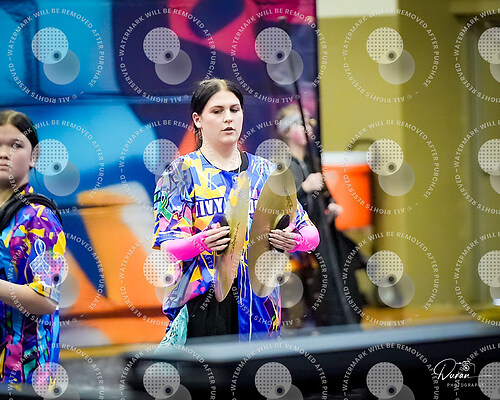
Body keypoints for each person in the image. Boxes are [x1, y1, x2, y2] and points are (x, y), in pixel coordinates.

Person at [152, 79, 319, 343]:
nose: (228, 118)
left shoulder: (265, 172)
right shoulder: (180, 173)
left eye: (234, 109)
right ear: (197, 120)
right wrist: (201, 242)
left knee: (258, 370)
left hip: (261, 305)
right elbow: (168, 247)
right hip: (205, 305)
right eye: (217, 111)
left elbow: (311, 235)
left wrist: (295, 240)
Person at [276, 104, 364, 327]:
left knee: (344, 266)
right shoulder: (281, 166)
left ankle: (344, 321)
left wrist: (332, 205)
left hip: (321, 237)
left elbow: (325, 196)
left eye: (310, 121)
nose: (308, 127)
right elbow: (276, 206)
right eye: (301, 122)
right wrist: (303, 189)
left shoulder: (312, 162)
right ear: (287, 130)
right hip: (296, 245)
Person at [0, 110, 65, 384]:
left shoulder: (40, 218)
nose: (4, 154)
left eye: (15, 145)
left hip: (23, 369)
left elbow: (46, 299)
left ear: (34, 157)